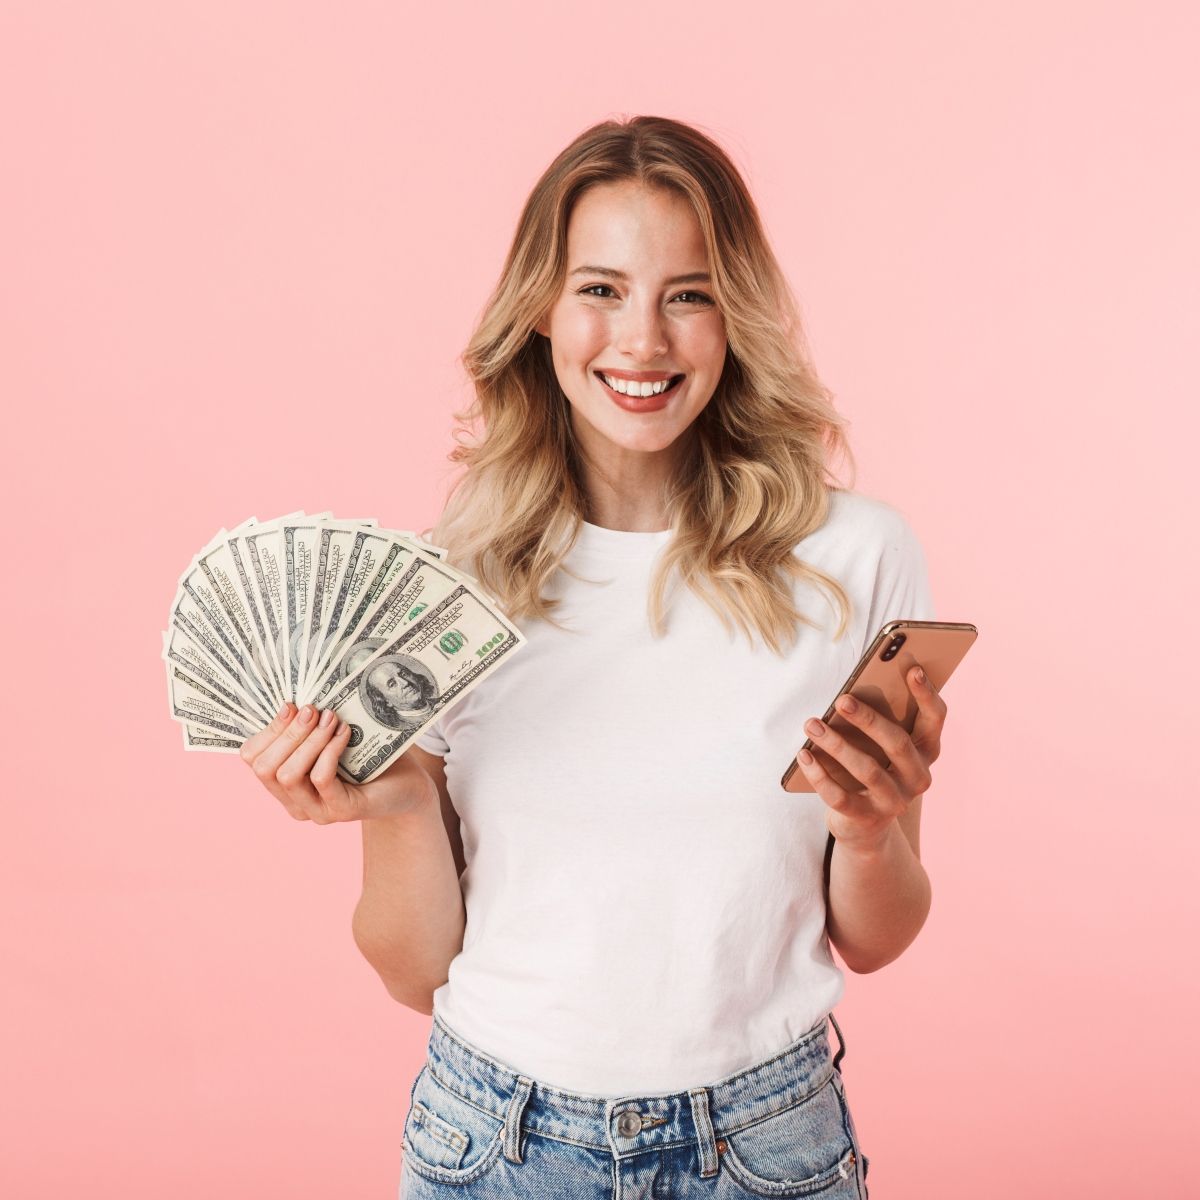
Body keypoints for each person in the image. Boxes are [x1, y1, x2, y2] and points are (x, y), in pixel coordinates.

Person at [239, 115, 950, 1200]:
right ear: (541, 311)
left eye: (689, 293)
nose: (644, 342)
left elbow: (878, 936)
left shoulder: (854, 558)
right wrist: (393, 808)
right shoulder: (449, 586)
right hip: (495, 1144)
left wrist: (866, 830)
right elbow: (414, 969)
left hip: (766, 1145)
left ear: (736, 315)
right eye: (602, 290)